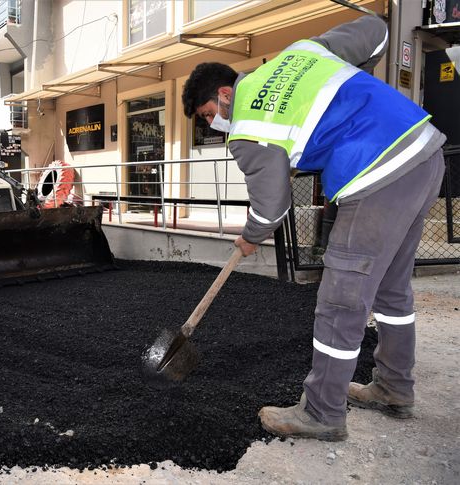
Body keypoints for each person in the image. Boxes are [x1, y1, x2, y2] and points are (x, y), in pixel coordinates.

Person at [182, 15, 446, 441]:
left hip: (374, 173)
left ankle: (322, 412)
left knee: (341, 298)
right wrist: (352, 95)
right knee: (391, 289)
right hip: (424, 151)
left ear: (226, 93)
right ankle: (394, 387)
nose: (215, 123)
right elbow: (376, 32)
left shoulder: (248, 125)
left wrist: (249, 236)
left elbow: (271, 209)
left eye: (210, 113)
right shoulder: (300, 55)